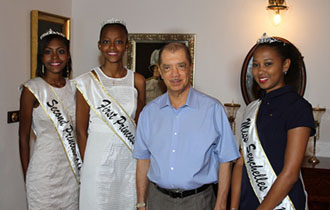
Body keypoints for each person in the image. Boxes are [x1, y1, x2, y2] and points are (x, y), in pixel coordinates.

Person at [133, 42, 240, 210]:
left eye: (180, 66)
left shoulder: (213, 109)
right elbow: (143, 159)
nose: (175, 74)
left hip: (199, 201)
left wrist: (220, 204)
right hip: (157, 201)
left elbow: (225, 160)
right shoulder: (149, 113)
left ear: (190, 68)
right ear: (159, 71)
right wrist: (141, 202)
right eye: (167, 68)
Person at [230, 34, 315, 210]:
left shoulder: (298, 107)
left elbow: (291, 173)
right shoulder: (252, 108)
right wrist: (233, 207)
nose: (260, 71)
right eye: (256, 65)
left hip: (283, 203)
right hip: (247, 201)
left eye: (268, 64)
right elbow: (240, 163)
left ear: (285, 65)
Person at [74, 18, 146, 210]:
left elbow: (139, 125)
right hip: (97, 162)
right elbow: (80, 131)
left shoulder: (137, 80)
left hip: (128, 163)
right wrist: (88, 166)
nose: (112, 47)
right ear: (99, 45)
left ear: (126, 45)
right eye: (106, 41)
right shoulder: (86, 82)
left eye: (118, 41)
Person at [19, 29, 81, 210]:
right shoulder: (32, 89)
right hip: (43, 173)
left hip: (70, 173)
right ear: (41, 57)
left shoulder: (76, 88)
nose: (55, 57)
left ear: (68, 56)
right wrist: (27, 176)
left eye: (60, 51)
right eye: (48, 51)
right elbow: (23, 138)